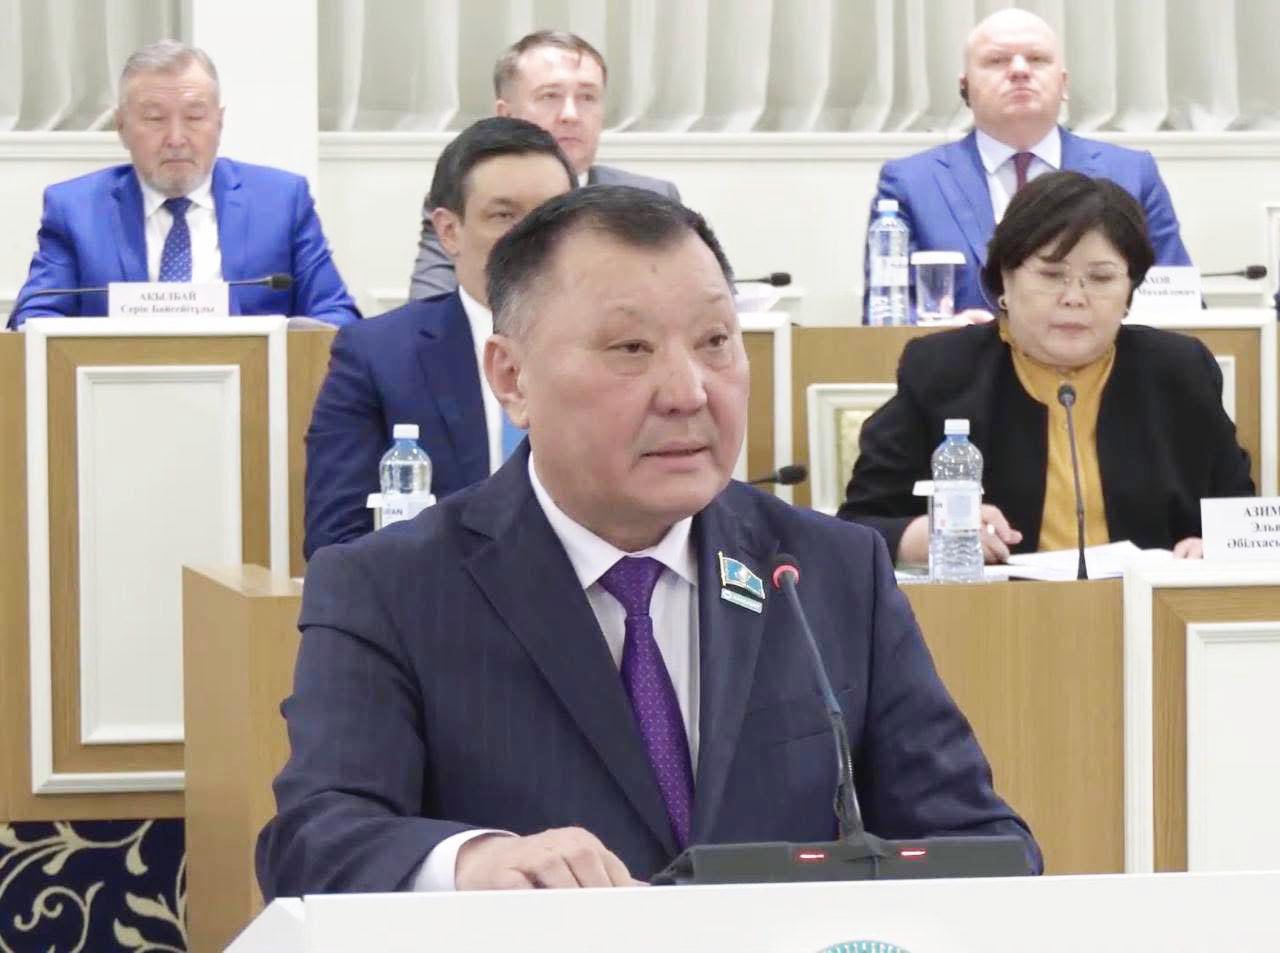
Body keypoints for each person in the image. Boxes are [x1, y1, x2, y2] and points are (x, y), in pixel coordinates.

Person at [257, 186, 1039, 899]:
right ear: (512, 377)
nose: (689, 391)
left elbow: (986, 846)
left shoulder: (827, 571)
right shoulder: (392, 585)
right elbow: (315, 841)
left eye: (716, 341)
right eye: (631, 349)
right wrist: (473, 863)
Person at [840, 171, 1253, 562]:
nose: (1074, 297)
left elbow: (1240, 518)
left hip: (1148, 607)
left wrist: (1215, 547)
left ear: (1130, 290)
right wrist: (924, 536)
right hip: (998, 608)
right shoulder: (942, 371)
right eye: (1052, 275)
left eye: (1101, 278)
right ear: (1005, 279)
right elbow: (857, 526)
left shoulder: (1179, 371)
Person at [303, 117, 575, 558]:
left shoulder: (627, 349)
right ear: (449, 231)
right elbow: (338, 543)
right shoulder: (380, 356)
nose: (532, 239)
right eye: (504, 216)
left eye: (551, 216)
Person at [864, 8, 1191, 319]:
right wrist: (946, 334)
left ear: (1063, 84)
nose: (1020, 70)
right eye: (996, 60)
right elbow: (885, 313)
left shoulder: (1132, 174)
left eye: (1037, 59)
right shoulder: (911, 183)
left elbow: (1178, 302)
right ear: (965, 87)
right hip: (965, 359)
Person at [8, 41, 359, 331]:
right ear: (121, 127)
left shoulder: (281, 201)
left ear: (219, 122)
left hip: (253, 389)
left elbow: (336, 316)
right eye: (155, 118)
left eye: (194, 117)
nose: (176, 138)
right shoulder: (75, 209)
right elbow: (33, 321)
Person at [408, 30, 680, 300]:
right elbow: (429, 310)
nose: (571, 115)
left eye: (587, 97)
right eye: (551, 96)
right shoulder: (467, 200)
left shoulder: (652, 200)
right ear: (506, 115)